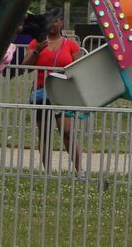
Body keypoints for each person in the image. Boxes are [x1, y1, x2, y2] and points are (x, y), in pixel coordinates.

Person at [25, 10, 84, 171]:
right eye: (49, 21)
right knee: (44, 134)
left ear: (62, 22)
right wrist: (37, 49)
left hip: (63, 93)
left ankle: (80, 171)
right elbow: (27, 66)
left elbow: (79, 67)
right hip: (40, 92)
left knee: (67, 132)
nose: (53, 24)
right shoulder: (36, 42)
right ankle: (47, 172)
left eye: (56, 20)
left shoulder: (71, 44)